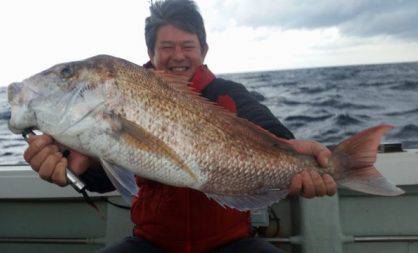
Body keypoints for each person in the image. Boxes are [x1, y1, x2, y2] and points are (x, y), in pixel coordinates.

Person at [23, 0, 337, 252]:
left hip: (232, 242)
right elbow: (108, 176)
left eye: (187, 46)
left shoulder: (228, 95)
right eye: (167, 47)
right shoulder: (121, 99)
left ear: (203, 50)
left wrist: (300, 158)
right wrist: (76, 166)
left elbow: (276, 137)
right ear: (150, 53)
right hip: (150, 242)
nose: (178, 56)